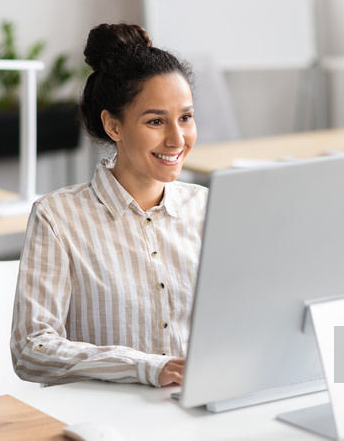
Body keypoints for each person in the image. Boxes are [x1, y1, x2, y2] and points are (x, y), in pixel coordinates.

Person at [11, 23, 208, 388]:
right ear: (113, 126)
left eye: (185, 117)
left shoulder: (206, 208)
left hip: (194, 406)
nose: (177, 139)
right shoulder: (57, 217)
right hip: (108, 417)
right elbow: (30, 349)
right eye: (155, 121)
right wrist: (144, 367)